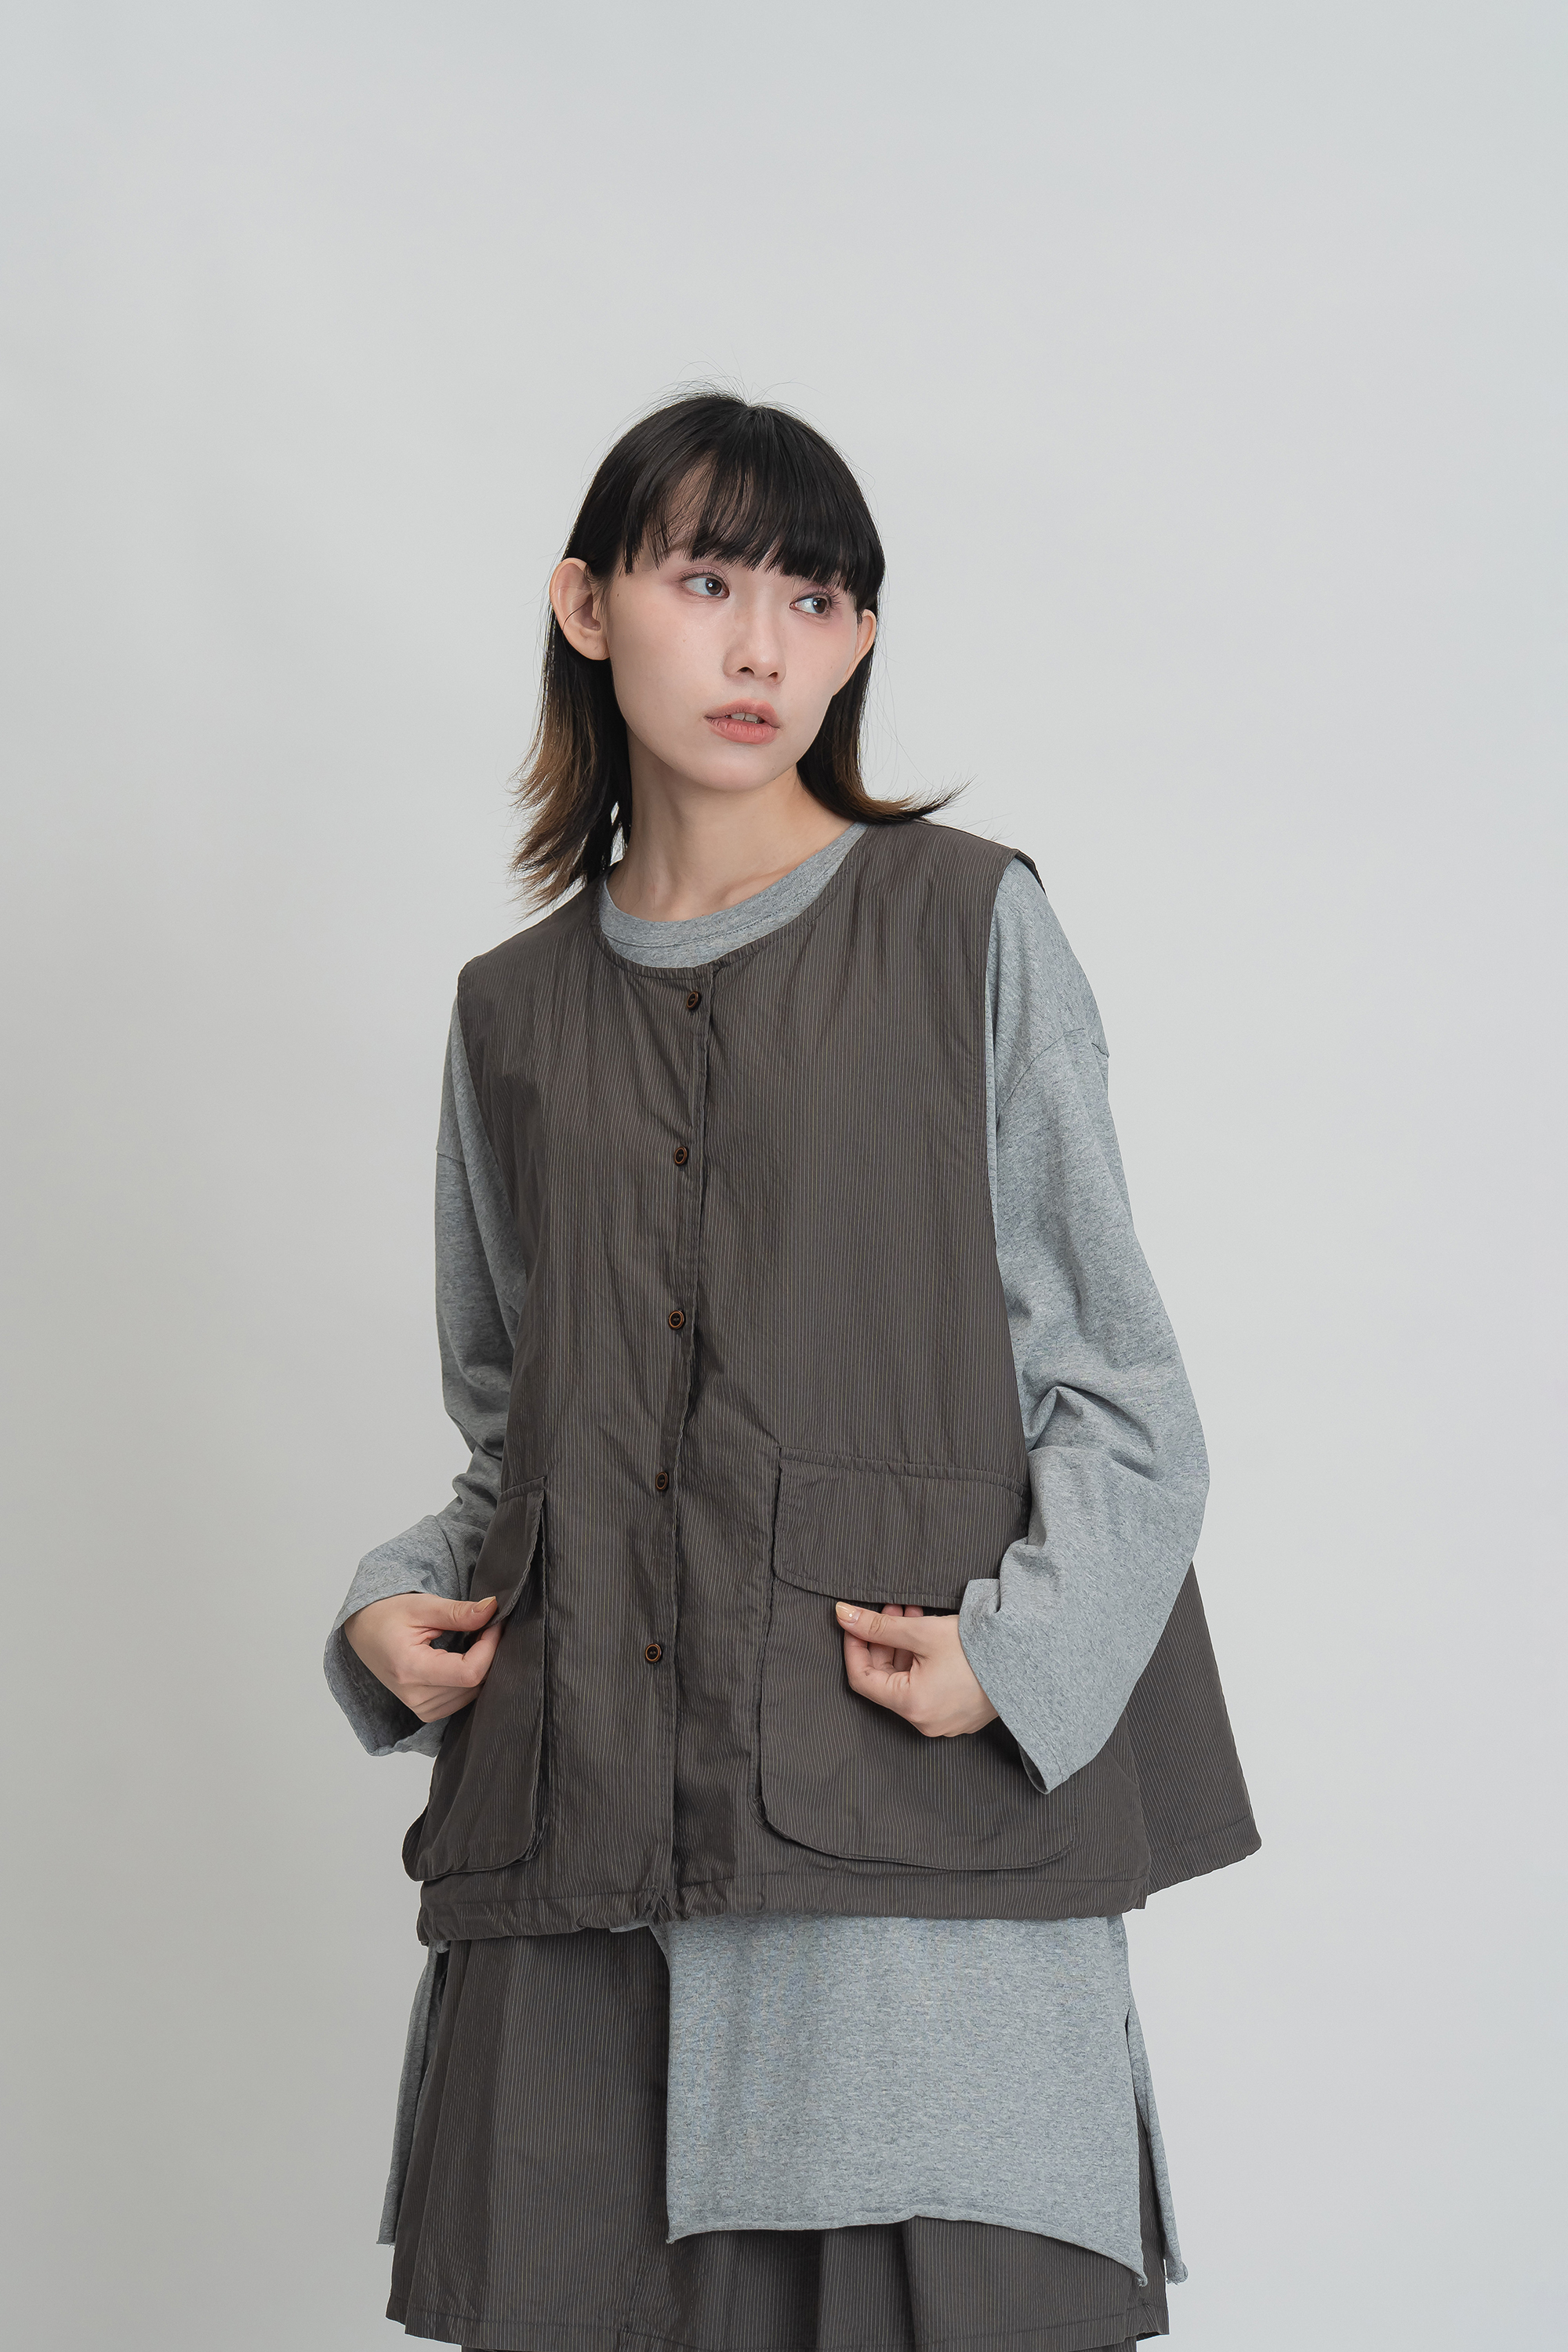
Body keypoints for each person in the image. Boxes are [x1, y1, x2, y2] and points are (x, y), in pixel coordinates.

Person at [325, 390, 1258, 2352]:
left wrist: (1017, 1656)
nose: (764, 645)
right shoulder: (510, 1017)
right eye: (708, 582)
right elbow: (518, 1442)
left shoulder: (967, 927)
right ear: (588, 605)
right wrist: (387, 1613)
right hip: (582, 1901)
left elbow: (1122, 1397)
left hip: (911, 1909)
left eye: (819, 599)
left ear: (857, 642)